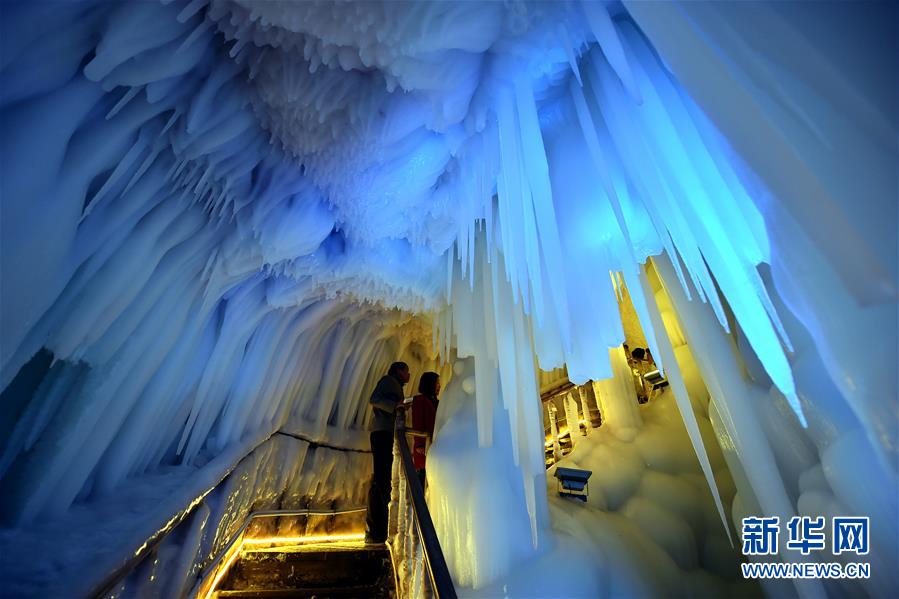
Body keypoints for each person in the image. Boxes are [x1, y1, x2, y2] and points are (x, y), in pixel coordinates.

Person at [365, 361, 410, 543]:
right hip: (382, 432)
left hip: (386, 432)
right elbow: (374, 399)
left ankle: (378, 527)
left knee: (383, 478)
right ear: (399, 371)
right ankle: (375, 528)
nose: (409, 376)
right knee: (382, 478)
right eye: (407, 372)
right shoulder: (388, 381)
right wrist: (396, 405)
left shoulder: (395, 384)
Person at [410, 372, 440, 489]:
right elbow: (418, 423)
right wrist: (420, 445)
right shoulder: (420, 400)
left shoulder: (436, 402)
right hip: (424, 448)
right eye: (437, 383)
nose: (439, 386)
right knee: (423, 481)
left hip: (433, 446)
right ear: (430, 384)